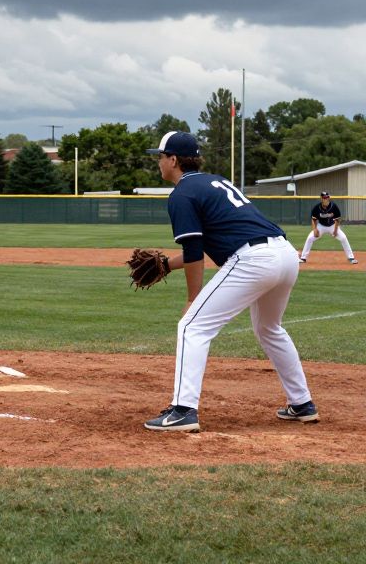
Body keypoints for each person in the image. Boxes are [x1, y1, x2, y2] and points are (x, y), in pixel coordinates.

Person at [142, 132, 318, 432]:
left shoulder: (182, 194)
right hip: (285, 255)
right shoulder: (215, 181)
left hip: (254, 261)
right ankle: (302, 403)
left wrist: (191, 299)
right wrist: (167, 266)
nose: (158, 162)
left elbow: (195, 252)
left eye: (160, 156)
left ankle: (184, 410)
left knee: (192, 326)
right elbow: (206, 243)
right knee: (269, 328)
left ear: (174, 160)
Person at [299, 191, 357, 264]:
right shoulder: (317, 208)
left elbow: (337, 220)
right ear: (321, 199)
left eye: (327, 197)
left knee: (343, 238)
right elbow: (313, 220)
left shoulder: (334, 206)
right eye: (324, 198)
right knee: (310, 238)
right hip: (321, 226)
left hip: (332, 226)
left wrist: (335, 230)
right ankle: (303, 258)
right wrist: (315, 229)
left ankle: (351, 257)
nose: (326, 199)